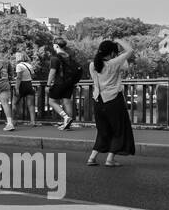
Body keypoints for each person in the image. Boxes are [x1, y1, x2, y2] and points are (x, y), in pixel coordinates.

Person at [88, 38, 135, 166]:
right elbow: (130, 50)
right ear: (112, 52)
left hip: (98, 101)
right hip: (114, 100)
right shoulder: (113, 63)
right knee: (119, 130)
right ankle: (110, 159)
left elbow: (123, 66)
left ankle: (92, 158)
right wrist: (118, 40)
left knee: (103, 130)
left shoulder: (92, 65)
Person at [46, 38, 81, 130]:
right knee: (67, 102)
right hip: (70, 83)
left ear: (56, 46)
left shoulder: (55, 57)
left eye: (53, 45)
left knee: (51, 101)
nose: (53, 46)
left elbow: (52, 72)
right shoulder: (69, 56)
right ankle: (68, 124)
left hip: (59, 82)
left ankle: (66, 118)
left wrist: (48, 85)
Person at [14, 51, 37, 127]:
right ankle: (33, 122)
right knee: (31, 105)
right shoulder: (29, 65)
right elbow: (33, 76)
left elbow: (19, 77)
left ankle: (14, 121)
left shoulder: (19, 65)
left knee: (14, 103)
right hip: (29, 85)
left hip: (21, 85)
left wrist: (17, 88)